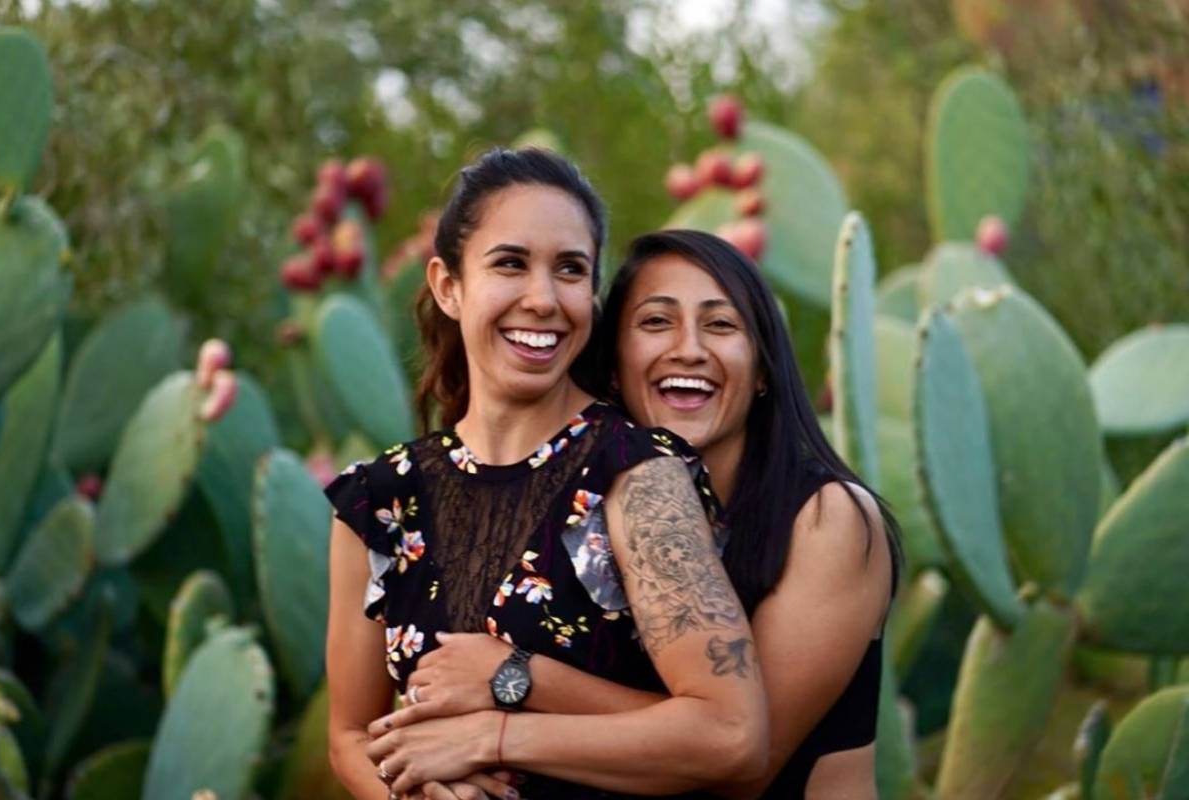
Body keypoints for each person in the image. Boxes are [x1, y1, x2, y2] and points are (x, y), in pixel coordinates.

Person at [379, 229, 902, 799]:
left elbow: (737, 758)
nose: (689, 349)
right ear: (612, 367)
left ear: (762, 371)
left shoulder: (827, 520)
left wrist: (513, 684)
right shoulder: (592, 513)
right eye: (656, 323)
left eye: (721, 325)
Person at [324, 151, 768, 800]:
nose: (543, 299)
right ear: (448, 285)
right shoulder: (378, 502)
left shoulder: (639, 480)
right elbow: (348, 735)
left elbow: (733, 735)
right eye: (510, 263)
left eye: (570, 270)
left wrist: (496, 730)